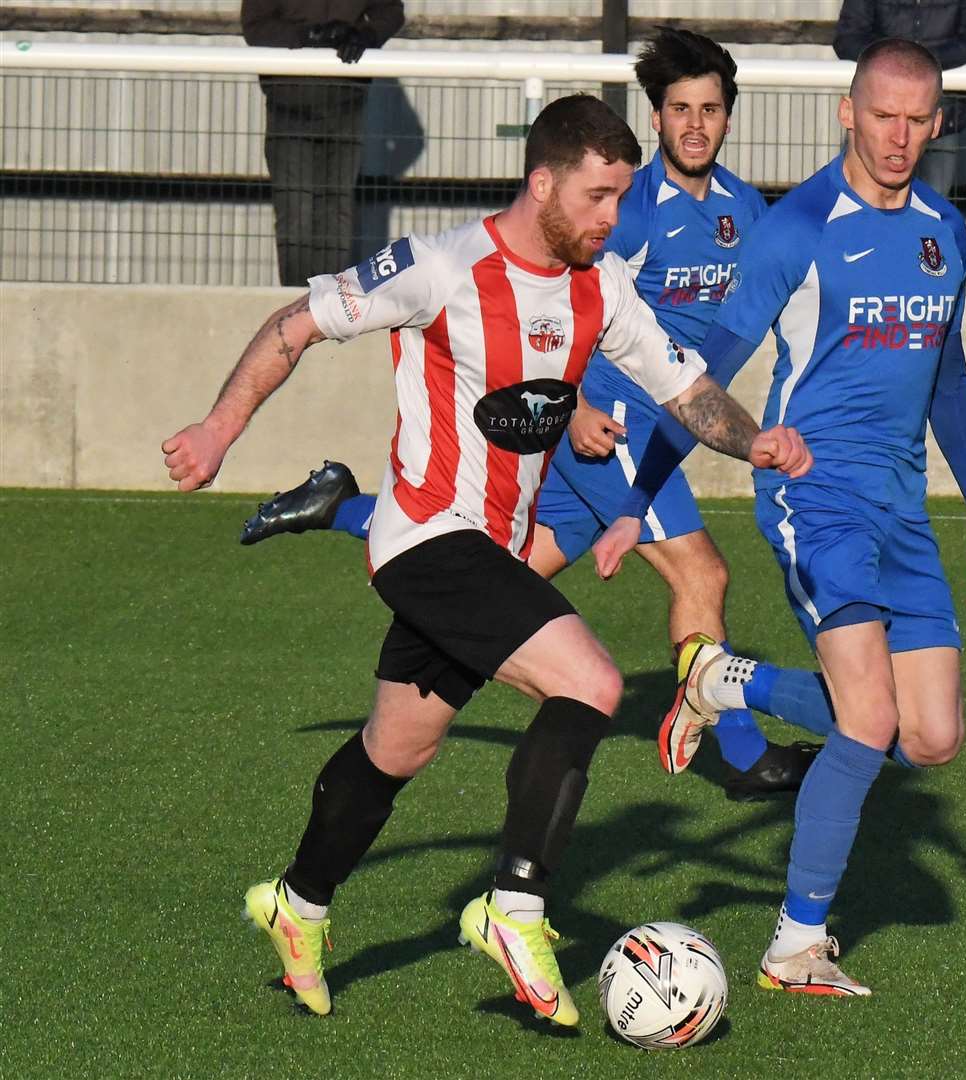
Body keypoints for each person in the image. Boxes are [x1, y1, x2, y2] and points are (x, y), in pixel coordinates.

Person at [160, 93, 810, 1023]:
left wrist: (756, 444)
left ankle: (296, 906)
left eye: (621, 200)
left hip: (496, 550)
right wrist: (220, 429)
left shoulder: (600, 287)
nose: (610, 220)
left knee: (396, 748)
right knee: (587, 682)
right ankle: (515, 906)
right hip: (426, 539)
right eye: (595, 198)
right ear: (540, 181)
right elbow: (293, 324)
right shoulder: (438, 267)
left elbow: (690, 389)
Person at [238, 28, 823, 800]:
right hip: (615, 422)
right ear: (654, 118)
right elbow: (556, 305)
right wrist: (576, 404)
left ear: (727, 116)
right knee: (700, 570)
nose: (694, 124)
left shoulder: (744, 209)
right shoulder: (626, 209)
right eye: (679, 108)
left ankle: (343, 507)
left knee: (516, 567)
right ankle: (745, 755)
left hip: (671, 417)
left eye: (709, 109)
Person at [593, 39, 966, 996]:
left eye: (917, 120)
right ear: (847, 114)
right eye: (882, 117)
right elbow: (701, 384)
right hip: (812, 497)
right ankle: (795, 946)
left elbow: (947, 376)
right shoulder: (797, 229)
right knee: (866, 720)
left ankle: (722, 680)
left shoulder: (944, 229)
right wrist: (632, 504)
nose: (898, 137)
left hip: (900, 509)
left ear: (938, 123)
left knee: (929, 736)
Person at [241, 0, 405, 285]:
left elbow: (390, 11)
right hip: (289, 102)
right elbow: (256, 26)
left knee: (336, 208)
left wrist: (365, 36)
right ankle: (295, 303)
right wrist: (310, 36)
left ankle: (329, 303)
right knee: (295, 209)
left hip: (346, 100)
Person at [833, 0, 966, 196]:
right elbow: (848, 37)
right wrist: (897, 63)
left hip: (938, 113)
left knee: (930, 210)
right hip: (877, 116)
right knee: (860, 203)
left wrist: (919, 64)